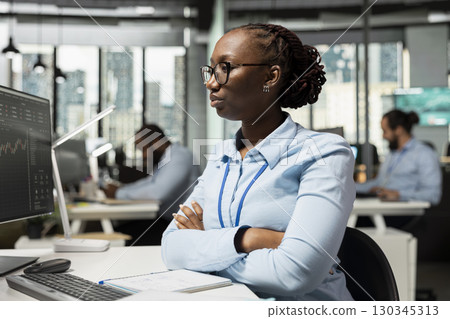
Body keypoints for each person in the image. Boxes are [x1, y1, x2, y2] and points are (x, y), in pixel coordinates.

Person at [161, 23, 356, 300]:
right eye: (211, 69)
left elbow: (296, 273)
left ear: (270, 76)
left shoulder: (323, 153)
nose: (211, 82)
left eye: (225, 67)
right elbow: (171, 248)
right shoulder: (221, 156)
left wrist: (205, 252)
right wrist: (248, 238)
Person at [103, 124, 200, 245]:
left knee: (121, 238)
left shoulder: (180, 156)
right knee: (118, 230)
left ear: (155, 142)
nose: (143, 156)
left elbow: (157, 192)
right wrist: (122, 188)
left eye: (143, 149)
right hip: (165, 220)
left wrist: (118, 193)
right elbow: (150, 182)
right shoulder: (167, 157)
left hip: (177, 226)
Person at [356, 110, 442, 204]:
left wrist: (398, 195)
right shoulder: (392, 154)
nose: (383, 136)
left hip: (405, 211)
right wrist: (348, 187)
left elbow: (433, 195)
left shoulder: (424, 154)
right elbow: (379, 183)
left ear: (398, 130)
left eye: (385, 131)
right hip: (382, 207)